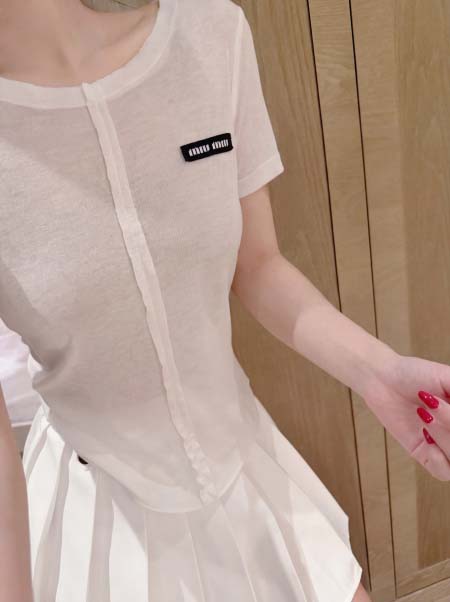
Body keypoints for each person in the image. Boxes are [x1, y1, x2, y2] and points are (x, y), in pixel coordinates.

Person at [1, 1, 450, 601]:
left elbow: (258, 265)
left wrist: (379, 372)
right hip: (97, 516)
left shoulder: (210, 30)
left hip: (245, 465)